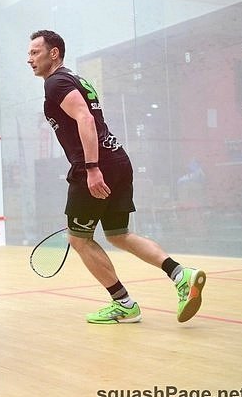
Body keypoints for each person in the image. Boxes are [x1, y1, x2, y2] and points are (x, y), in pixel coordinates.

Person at [27, 30, 206, 324]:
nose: (30, 59)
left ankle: (123, 304)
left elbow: (85, 118)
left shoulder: (56, 82)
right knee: (119, 235)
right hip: (118, 160)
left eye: (35, 52)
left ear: (54, 53)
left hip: (98, 166)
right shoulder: (74, 79)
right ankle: (180, 274)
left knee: (79, 239)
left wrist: (91, 167)